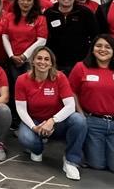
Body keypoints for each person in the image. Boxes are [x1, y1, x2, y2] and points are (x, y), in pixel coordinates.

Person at [69, 34, 114, 174]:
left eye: (108, 47)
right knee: (97, 165)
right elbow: (72, 91)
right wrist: (81, 114)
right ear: (93, 49)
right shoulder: (81, 67)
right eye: (98, 46)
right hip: (93, 122)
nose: (103, 49)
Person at [14, 47, 86, 181]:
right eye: (39, 58)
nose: (43, 62)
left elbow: (70, 106)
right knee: (25, 137)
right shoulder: (22, 80)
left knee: (79, 120)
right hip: (34, 121)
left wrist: (52, 120)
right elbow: (21, 108)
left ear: (52, 63)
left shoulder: (60, 77)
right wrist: (34, 127)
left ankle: (71, 161)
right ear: (33, 61)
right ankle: (37, 148)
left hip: (56, 123)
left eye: (47, 59)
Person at [2, 0, 47, 128]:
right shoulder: (9, 16)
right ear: (17, 1)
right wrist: (11, 56)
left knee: (31, 92)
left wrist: (24, 56)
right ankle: (17, 122)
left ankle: (32, 121)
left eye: (29, 0)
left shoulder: (40, 19)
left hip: (30, 62)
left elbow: (42, 40)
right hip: (12, 61)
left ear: (34, 2)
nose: (25, 3)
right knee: (16, 90)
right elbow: (5, 36)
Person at [44, 0, 97, 74]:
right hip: (55, 63)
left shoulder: (85, 13)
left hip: (80, 63)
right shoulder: (49, 13)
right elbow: (45, 38)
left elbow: (95, 36)